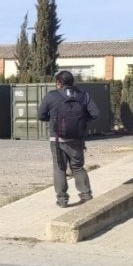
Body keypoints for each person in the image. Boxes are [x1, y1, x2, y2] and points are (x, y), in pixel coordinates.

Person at [37, 70, 100, 208]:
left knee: (60, 168)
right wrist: (82, 121)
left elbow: (41, 115)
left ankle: (62, 200)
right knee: (78, 167)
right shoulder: (83, 95)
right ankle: (86, 195)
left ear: (59, 82)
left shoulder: (51, 96)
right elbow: (95, 113)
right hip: (77, 138)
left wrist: (54, 119)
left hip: (57, 139)